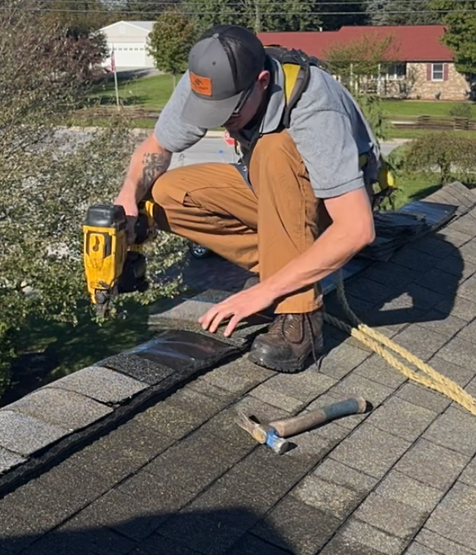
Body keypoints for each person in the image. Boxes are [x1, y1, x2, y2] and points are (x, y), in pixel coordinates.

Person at [114, 25, 379, 372]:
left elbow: (357, 228)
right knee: (164, 195)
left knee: (274, 148)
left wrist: (264, 293)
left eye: (231, 112)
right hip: (271, 189)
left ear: (263, 81)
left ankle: (300, 318)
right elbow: (156, 148)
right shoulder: (209, 79)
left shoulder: (314, 108)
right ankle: (280, 266)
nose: (222, 122)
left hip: (334, 206)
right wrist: (127, 197)